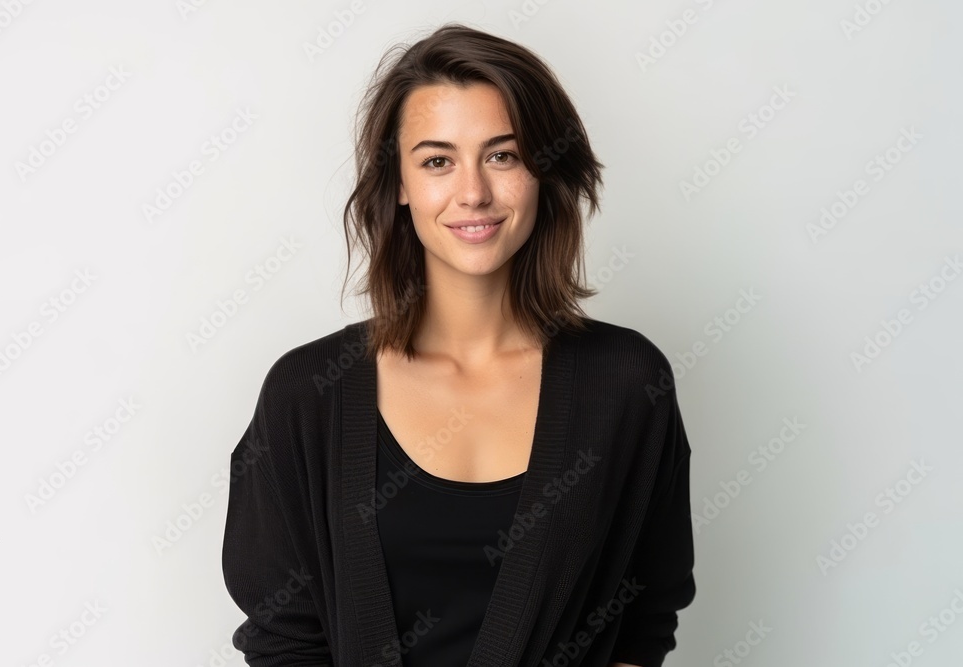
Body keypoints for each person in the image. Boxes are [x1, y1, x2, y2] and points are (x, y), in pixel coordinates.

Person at [222, 23, 696, 667]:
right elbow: (284, 636)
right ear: (399, 183)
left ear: (541, 171)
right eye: (437, 160)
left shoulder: (627, 382)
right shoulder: (309, 394)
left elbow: (645, 613)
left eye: (502, 155)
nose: (473, 191)